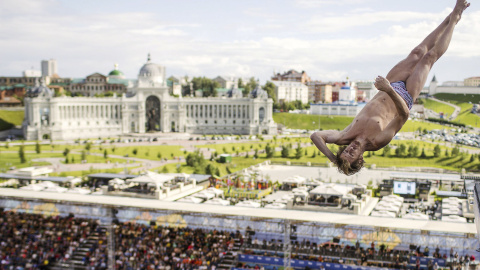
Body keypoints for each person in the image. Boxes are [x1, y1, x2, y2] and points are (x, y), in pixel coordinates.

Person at [311, 0, 470, 175]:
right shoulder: (378, 141)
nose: (351, 148)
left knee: (417, 52)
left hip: (389, 85)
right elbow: (404, 115)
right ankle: (455, 18)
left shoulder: (344, 136)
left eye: (347, 151)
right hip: (404, 95)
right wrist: (388, 90)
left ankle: (448, 19)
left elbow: (316, 136)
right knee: (428, 58)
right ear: (361, 158)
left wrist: (334, 159)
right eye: (353, 153)